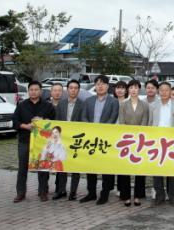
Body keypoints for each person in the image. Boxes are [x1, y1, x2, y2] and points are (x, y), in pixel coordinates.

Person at [12, 80, 56, 203]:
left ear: (40, 91)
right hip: (25, 140)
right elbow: (14, 122)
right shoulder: (21, 105)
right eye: (31, 90)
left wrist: (43, 121)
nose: (33, 92)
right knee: (22, 167)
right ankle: (20, 193)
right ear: (28, 91)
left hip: (42, 142)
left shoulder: (48, 106)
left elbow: (54, 122)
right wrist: (25, 126)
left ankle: (43, 192)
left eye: (36, 90)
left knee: (42, 167)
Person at [79, 75, 120, 205]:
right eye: (97, 84)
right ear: (95, 86)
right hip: (91, 139)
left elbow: (112, 118)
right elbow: (83, 117)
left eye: (103, 84)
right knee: (90, 167)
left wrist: (100, 130)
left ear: (107, 86)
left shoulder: (113, 101)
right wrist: (91, 129)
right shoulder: (88, 101)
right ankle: (91, 193)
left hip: (105, 139)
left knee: (106, 167)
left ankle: (105, 193)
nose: (100, 86)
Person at [117, 79, 149, 206]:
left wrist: (138, 136)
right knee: (125, 168)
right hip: (126, 140)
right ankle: (125, 195)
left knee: (139, 169)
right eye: (131, 88)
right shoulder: (123, 104)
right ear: (128, 90)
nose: (133, 90)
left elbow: (145, 122)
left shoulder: (145, 105)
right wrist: (129, 136)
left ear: (139, 89)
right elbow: (121, 122)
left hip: (140, 141)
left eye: (136, 87)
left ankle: (137, 195)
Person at [149, 81, 174, 205]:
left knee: (172, 170)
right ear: (158, 91)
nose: (164, 92)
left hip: (172, 142)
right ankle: (159, 195)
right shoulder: (152, 106)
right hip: (156, 141)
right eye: (161, 90)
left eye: (167, 90)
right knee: (157, 170)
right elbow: (149, 123)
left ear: (170, 91)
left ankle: (173, 196)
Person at [54, 79, 85, 200]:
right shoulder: (61, 104)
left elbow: (84, 122)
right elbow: (56, 121)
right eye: (71, 88)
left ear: (78, 90)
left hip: (76, 140)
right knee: (61, 165)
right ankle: (61, 190)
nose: (73, 90)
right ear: (67, 90)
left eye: (76, 88)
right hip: (63, 140)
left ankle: (73, 192)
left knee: (75, 167)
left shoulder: (83, 104)